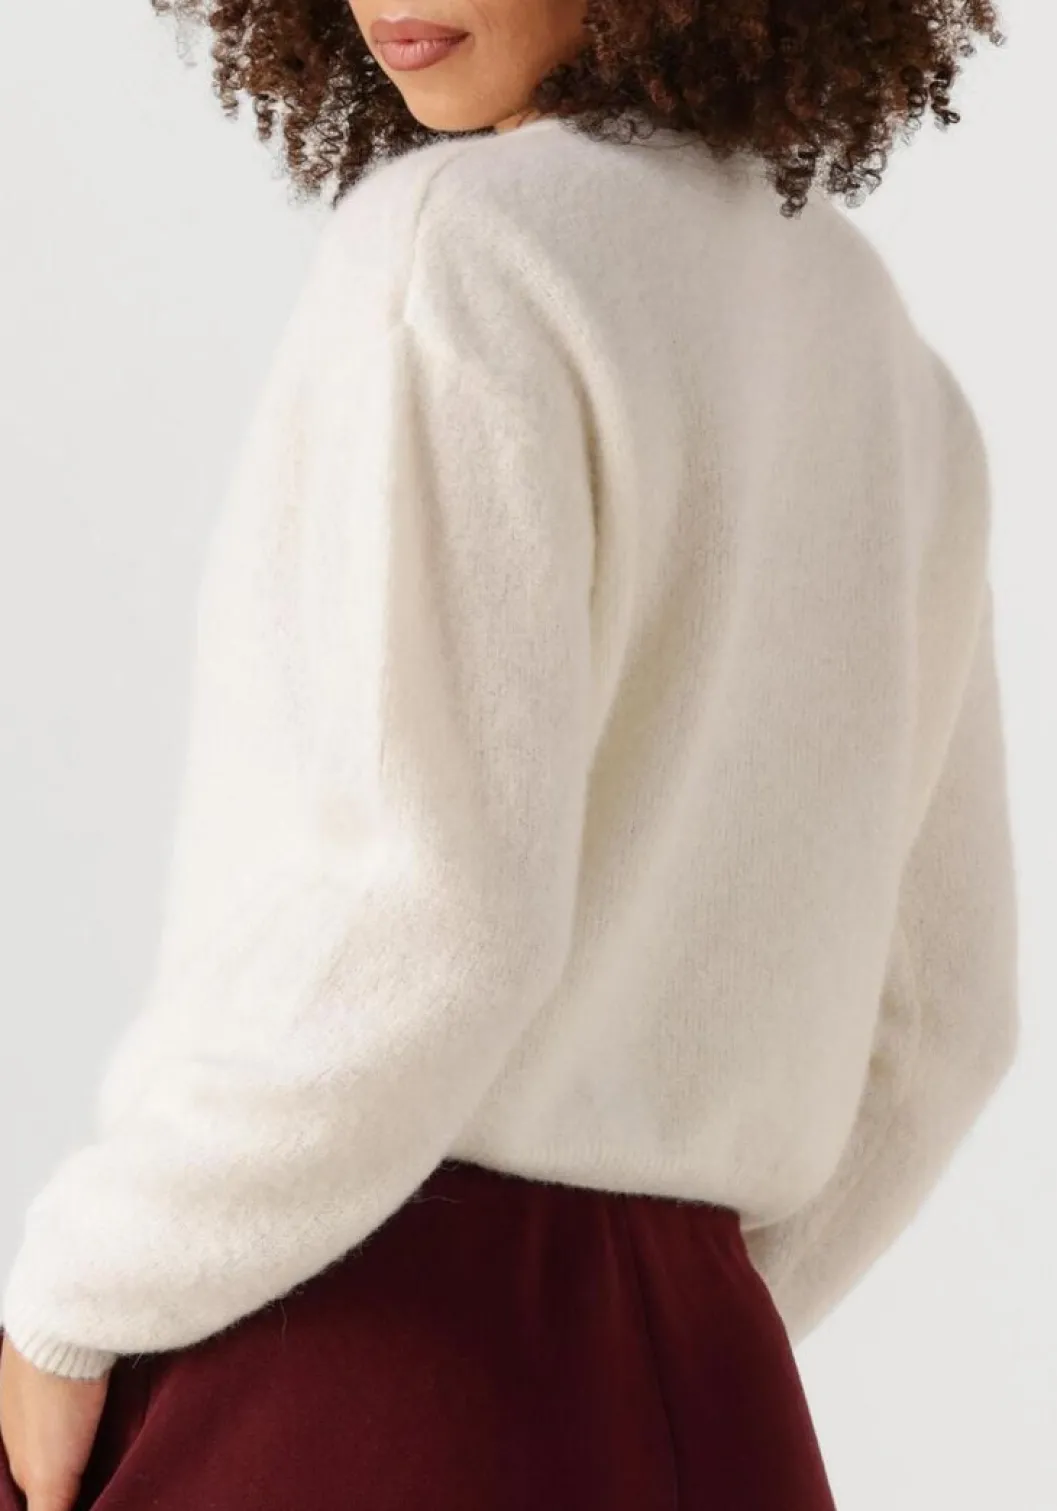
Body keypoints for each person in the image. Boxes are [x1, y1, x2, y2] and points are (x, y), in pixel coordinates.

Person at [0, 0, 1019, 1506]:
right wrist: (679, 1326)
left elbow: (434, 922)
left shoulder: (467, 251)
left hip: (352, 1373)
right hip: (715, 1413)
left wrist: (74, 1300)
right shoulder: (883, 355)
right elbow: (946, 1021)